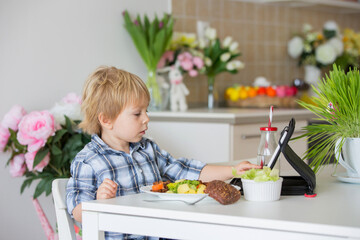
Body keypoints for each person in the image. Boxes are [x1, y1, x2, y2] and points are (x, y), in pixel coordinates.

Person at [66, 66, 260, 240]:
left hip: (160, 234)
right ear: (106, 120)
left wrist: (233, 171)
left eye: (146, 111)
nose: (146, 118)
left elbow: (186, 172)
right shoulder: (88, 161)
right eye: (137, 113)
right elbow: (77, 211)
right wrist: (100, 202)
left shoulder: (148, 149)